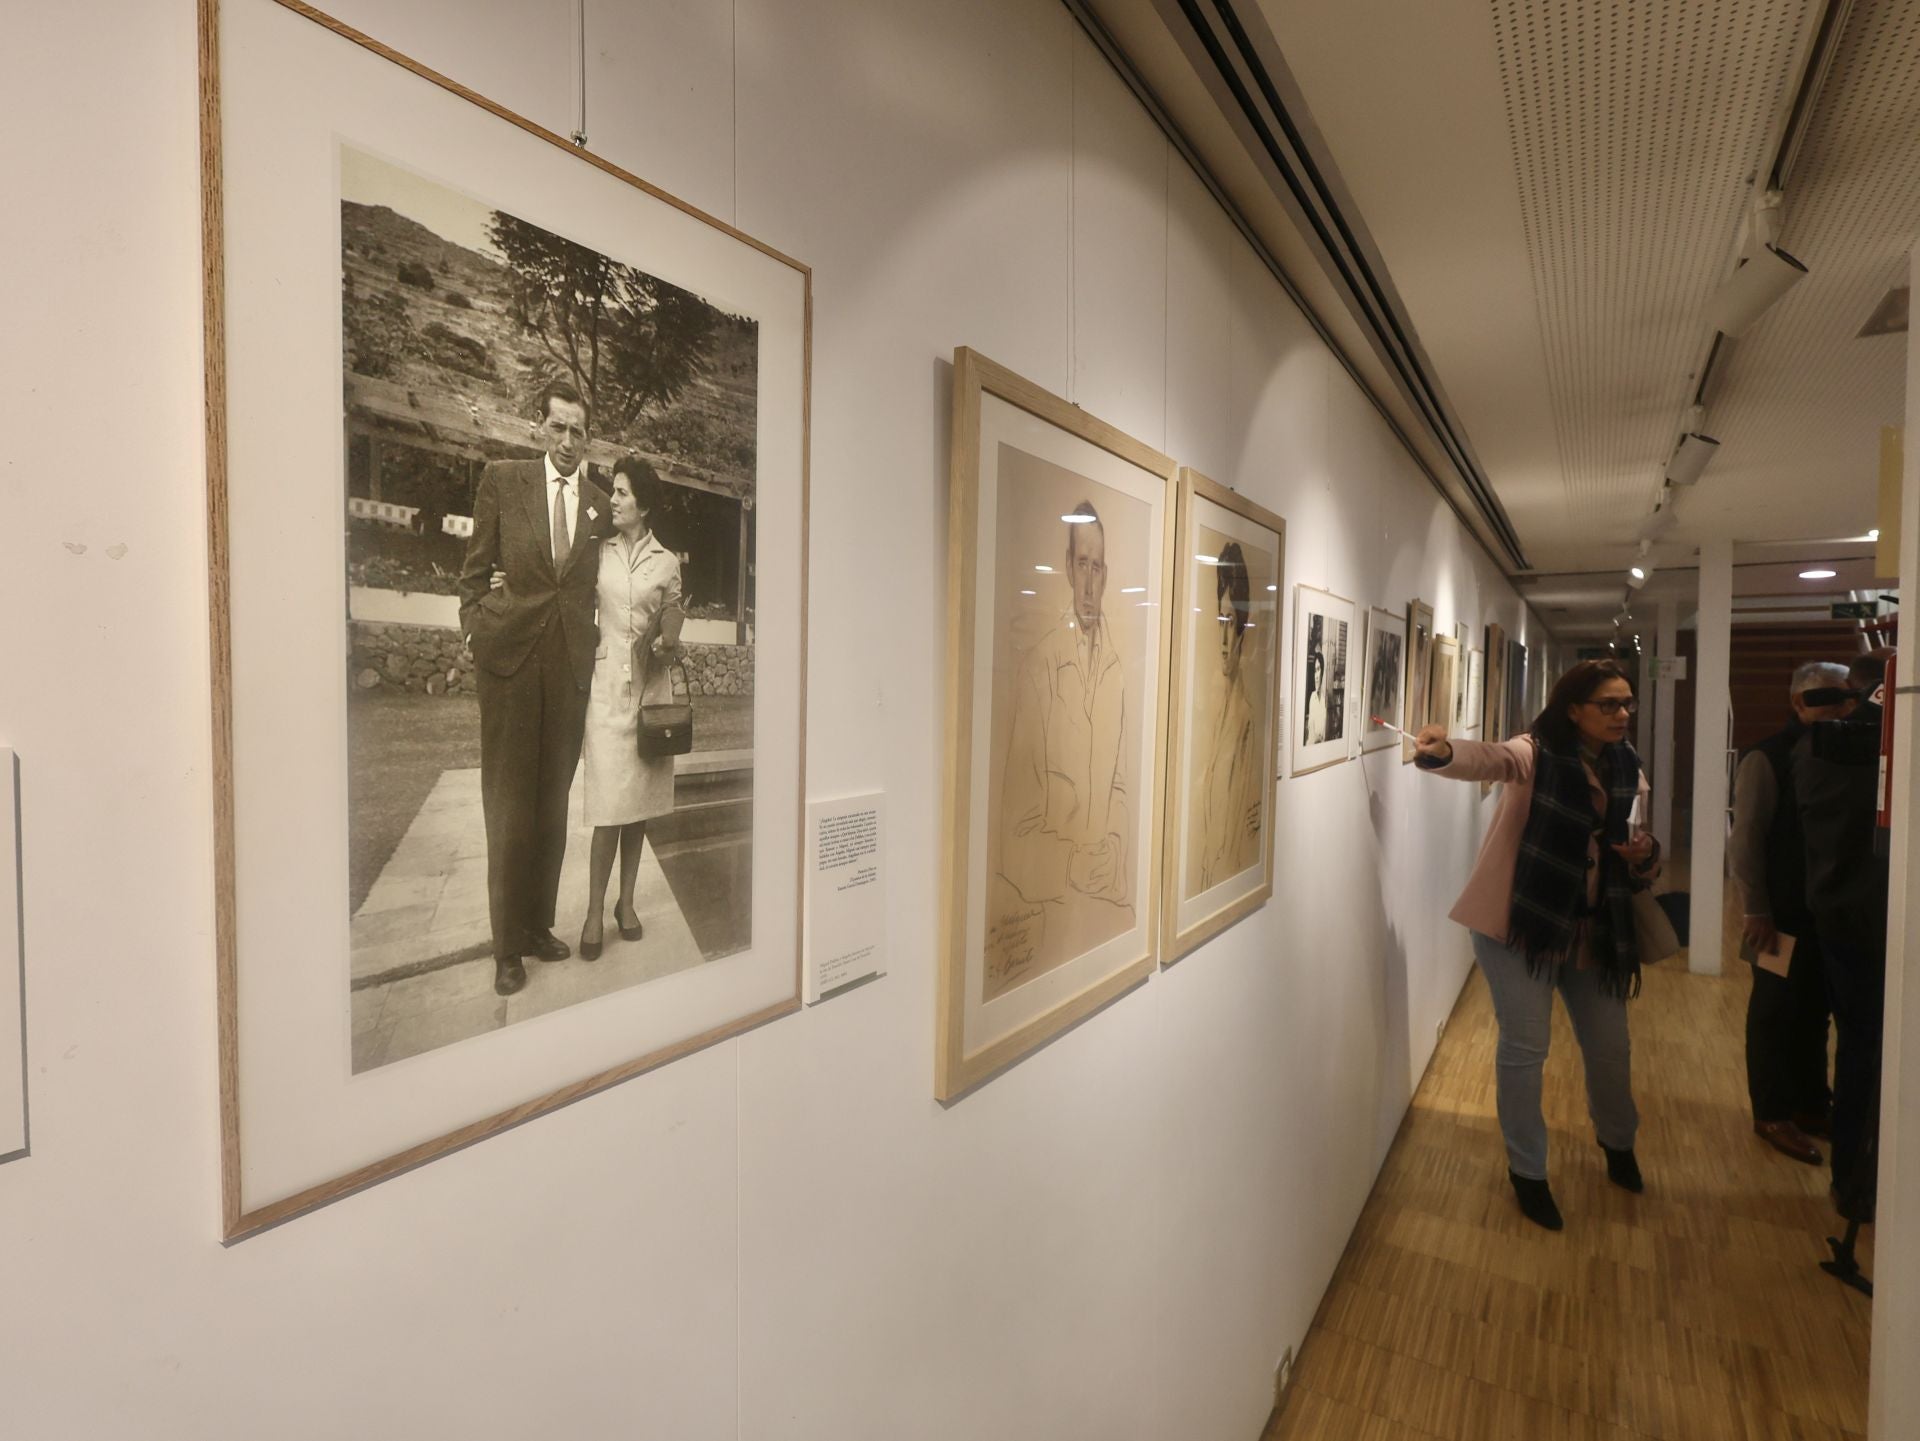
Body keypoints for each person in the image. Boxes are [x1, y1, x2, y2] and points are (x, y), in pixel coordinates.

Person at [1412, 659, 1659, 1230]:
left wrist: (1643, 854)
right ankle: (1527, 1172)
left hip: (1590, 927)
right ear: (1574, 709)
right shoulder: (1536, 751)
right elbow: (1490, 757)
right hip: (1519, 924)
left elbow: (1640, 839)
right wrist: (1445, 752)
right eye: (1609, 704)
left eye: (1627, 704)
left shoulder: (1628, 766)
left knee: (1610, 1047)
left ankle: (1619, 1144)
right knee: (1525, 1051)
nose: (1622, 714)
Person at [457, 379, 612, 997]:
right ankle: (505, 947)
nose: (568, 440)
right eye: (558, 427)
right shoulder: (504, 479)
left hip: (569, 671)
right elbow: (474, 573)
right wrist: (475, 629)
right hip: (510, 669)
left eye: (578, 430)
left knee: (550, 808)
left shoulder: (599, 506)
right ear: (538, 426)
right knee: (509, 807)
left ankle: (538, 925)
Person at [996, 501, 1132, 977]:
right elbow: (1012, 840)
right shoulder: (1039, 668)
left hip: (1111, 928)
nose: (1090, 582)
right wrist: (1070, 865)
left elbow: (1118, 786)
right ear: (1068, 570)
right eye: (1081, 565)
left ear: (1106, 574)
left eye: (1098, 567)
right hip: (1052, 931)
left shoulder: (1116, 673)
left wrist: (1115, 848)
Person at [1729, 661, 1850, 1164]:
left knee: (1815, 1011)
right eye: (1825, 697)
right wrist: (1755, 909)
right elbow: (1747, 839)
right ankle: (1771, 1111)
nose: (1839, 706)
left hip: (1826, 911)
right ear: (1798, 702)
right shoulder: (1766, 757)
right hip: (1778, 913)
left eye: (1844, 696)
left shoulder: (1844, 755)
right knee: (1774, 1011)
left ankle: (1809, 1102)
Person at [577, 457, 685, 959]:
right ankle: (594, 911)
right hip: (605, 692)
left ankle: (626, 904)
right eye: (612, 492)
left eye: (620, 493)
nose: (612, 500)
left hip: (649, 694)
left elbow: (674, 613)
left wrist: (668, 640)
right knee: (607, 808)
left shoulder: (667, 561)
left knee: (636, 807)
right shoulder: (597, 551)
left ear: (642, 504)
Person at [1798, 648, 1891, 1221]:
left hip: (1836, 911)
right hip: (1871, 919)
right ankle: (1859, 1181)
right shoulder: (1867, 747)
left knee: (1859, 1047)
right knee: (1870, 1050)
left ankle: (1852, 1178)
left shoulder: (1820, 742)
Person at [1196, 542, 1260, 889]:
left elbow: (1236, 845)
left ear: (1242, 630)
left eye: (1230, 622)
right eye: (1219, 620)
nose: (1222, 637)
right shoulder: (1213, 708)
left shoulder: (1245, 720)